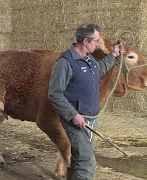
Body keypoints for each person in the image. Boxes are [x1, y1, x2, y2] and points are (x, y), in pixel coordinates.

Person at [48, 23, 124, 180]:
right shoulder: (65, 62)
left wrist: (114, 55)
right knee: (87, 162)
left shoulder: (87, 58)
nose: (98, 44)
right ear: (85, 41)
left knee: (79, 158)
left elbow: (98, 70)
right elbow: (54, 93)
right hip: (76, 119)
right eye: (96, 41)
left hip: (90, 118)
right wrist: (73, 115)